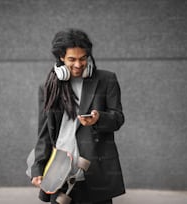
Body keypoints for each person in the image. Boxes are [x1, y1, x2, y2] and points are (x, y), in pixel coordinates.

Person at [30, 28, 125, 204]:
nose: (78, 65)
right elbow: (44, 132)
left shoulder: (106, 80)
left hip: (95, 168)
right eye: (71, 59)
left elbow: (118, 118)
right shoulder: (49, 87)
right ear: (60, 58)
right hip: (59, 170)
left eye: (83, 59)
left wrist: (99, 119)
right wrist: (38, 167)